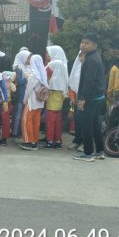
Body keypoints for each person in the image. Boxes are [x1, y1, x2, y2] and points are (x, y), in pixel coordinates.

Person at [73, 33, 107, 162]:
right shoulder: (94, 57)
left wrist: (82, 99)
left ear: (94, 45)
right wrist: (83, 62)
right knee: (95, 125)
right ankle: (99, 151)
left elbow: (89, 81)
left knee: (86, 125)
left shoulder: (92, 59)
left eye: (87, 43)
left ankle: (88, 153)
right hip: (97, 97)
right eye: (82, 42)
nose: (83, 45)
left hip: (90, 98)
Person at [18, 54, 48, 150]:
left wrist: (24, 100)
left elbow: (28, 91)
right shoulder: (43, 74)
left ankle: (29, 142)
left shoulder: (33, 76)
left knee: (26, 121)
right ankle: (35, 141)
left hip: (31, 102)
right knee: (36, 122)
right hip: (40, 103)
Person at [45, 45, 69, 149]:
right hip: (60, 94)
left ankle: (50, 141)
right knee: (58, 119)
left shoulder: (52, 63)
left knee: (50, 119)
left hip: (52, 93)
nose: (47, 55)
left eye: (48, 53)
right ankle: (58, 141)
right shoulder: (63, 64)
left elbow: (44, 74)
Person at [11, 48, 31, 137]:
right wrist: (27, 78)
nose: (29, 60)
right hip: (20, 94)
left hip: (24, 94)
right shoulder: (18, 68)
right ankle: (15, 132)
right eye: (28, 58)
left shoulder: (25, 67)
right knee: (18, 113)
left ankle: (19, 131)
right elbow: (19, 81)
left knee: (21, 112)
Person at [67, 51, 85, 150]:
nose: (81, 58)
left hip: (87, 100)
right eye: (80, 56)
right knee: (77, 121)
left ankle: (84, 143)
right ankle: (77, 141)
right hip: (77, 99)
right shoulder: (76, 69)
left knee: (85, 122)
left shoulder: (90, 68)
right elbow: (72, 85)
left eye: (84, 56)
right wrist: (72, 97)